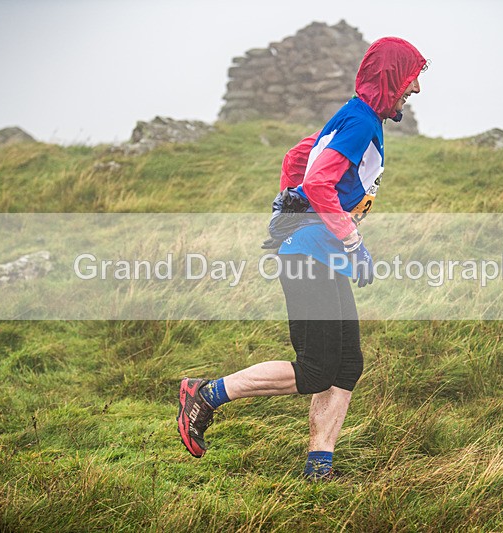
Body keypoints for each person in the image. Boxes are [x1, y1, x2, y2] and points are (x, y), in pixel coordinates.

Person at [177, 37, 427, 480]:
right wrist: (348, 238)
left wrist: (294, 217)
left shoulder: (358, 117)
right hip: (310, 256)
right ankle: (205, 393)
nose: (416, 91)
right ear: (391, 79)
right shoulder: (360, 122)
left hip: (318, 253)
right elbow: (316, 183)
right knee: (315, 369)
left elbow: (298, 158)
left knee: (347, 364)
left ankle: (319, 469)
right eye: (411, 81)